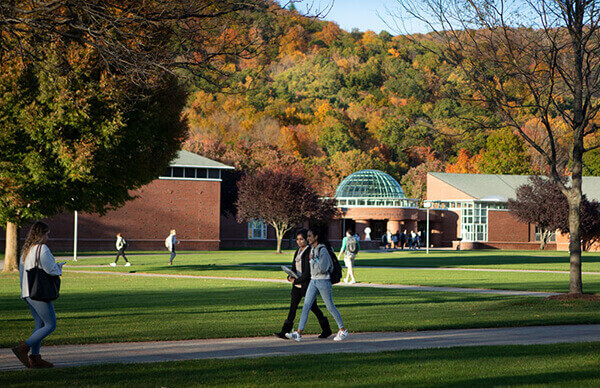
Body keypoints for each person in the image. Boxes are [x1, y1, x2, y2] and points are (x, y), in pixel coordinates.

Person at [12, 222, 65, 368]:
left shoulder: (26, 250)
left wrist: (24, 293)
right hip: (38, 293)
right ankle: (23, 348)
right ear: (41, 234)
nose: (48, 237)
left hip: (27, 292)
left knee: (40, 324)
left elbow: (23, 273)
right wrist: (59, 267)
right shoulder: (42, 249)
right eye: (47, 234)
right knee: (50, 324)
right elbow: (51, 270)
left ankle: (35, 359)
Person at [286, 227, 349, 342]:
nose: (308, 238)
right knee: (306, 306)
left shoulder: (322, 250)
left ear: (316, 237)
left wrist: (312, 261)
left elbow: (323, 268)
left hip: (323, 281)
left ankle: (343, 330)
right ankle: (298, 333)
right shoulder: (313, 249)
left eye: (310, 236)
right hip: (313, 281)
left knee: (330, 306)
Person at [274, 229, 332, 339]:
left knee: (313, 308)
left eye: (302, 239)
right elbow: (294, 267)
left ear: (307, 239)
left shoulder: (310, 252)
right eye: (297, 239)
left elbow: (308, 273)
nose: (299, 242)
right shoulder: (298, 251)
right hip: (296, 285)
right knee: (293, 308)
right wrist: (290, 275)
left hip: (307, 285)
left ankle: (326, 329)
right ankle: (284, 331)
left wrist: (296, 280)